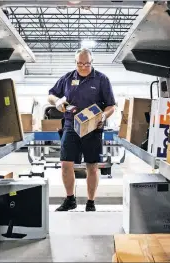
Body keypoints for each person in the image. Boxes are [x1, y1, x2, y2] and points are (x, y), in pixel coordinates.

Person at [48, 47, 116, 212]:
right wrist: (57, 102)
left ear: (92, 62)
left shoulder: (101, 79)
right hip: (71, 125)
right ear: (75, 62)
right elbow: (50, 95)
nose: (84, 67)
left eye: (87, 63)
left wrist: (104, 116)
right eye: (80, 64)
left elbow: (111, 106)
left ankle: (90, 202)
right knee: (65, 163)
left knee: (92, 166)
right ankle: (70, 199)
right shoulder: (67, 78)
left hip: (93, 127)